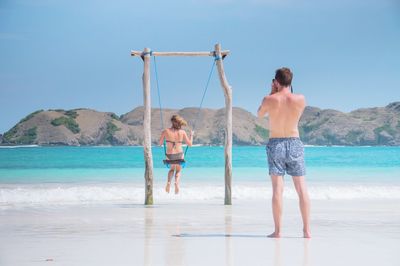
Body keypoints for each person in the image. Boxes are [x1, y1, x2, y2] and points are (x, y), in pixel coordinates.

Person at [257, 67, 311, 238]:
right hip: (294, 142)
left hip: (276, 143)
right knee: (302, 189)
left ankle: (278, 231)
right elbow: (296, 115)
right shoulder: (301, 99)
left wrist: (272, 92)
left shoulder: (269, 99)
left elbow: (259, 114)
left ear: (276, 81)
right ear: (291, 81)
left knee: (277, 189)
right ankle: (306, 230)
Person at [159, 114, 193, 194]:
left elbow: (160, 143)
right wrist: (191, 135)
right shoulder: (182, 132)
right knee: (178, 171)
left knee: (171, 169)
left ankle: (168, 182)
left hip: (169, 155)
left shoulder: (165, 131)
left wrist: (164, 138)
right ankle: (176, 183)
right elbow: (190, 144)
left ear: (172, 122)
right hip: (179, 155)